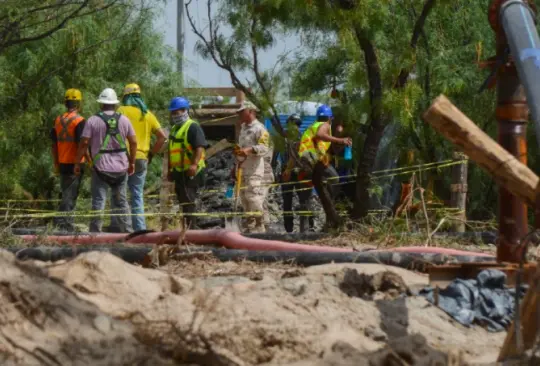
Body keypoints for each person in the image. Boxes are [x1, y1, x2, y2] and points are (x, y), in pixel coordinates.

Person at [74, 88, 137, 233]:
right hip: (121, 169)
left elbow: (83, 143)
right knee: (121, 202)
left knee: (98, 202)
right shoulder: (124, 120)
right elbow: (133, 142)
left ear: (101, 104)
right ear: (115, 104)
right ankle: (128, 233)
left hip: (100, 169)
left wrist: (77, 163)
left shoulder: (93, 121)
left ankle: (95, 234)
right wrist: (132, 162)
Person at [107, 83, 167, 232]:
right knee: (137, 194)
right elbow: (162, 137)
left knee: (118, 193)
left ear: (125, 96)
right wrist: (152, 153)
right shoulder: (147, 114)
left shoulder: (121, 111)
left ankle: (118, 226)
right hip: (142, 158)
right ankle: (139, 229)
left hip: (123, 158)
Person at [298, 104, 352, 229]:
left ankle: (306, 229)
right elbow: (320, 135)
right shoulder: (325, 125)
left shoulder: (313, 126)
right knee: (335, 179)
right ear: (330, 118)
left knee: (307, 196)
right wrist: (340, 140)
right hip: (312, 159)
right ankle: (332, 214)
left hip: (305, 161)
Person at [167, 96, 208, 229]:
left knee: (189, 202)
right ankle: (188, 229)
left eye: (177, 112)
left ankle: (192, 230)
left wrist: (194, 164)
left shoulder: (192, 127)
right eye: (173, 112)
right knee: (184, 203)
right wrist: (170, 170)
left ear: (185, 111)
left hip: (191, 172)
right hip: (179, 172)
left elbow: (199, 147)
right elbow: (171, 151)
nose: (174, 115)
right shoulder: (174, 129)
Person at [50, 88, 86, 231]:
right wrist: (81, 162)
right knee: (70, 195)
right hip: (75, 163)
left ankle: (62, 223)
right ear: (78, 103)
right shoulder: (79, 121)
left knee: (66, 193)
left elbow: (54, 144)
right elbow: (82, 144)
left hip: (63, 162)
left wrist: (56, 164)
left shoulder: (58, 120)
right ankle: (65, 225)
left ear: (65, 103)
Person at [234, 101, 270, 233]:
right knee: (243, 198)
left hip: (254, 168)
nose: (239, 114)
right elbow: (240, 149)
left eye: (242, 111)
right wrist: (236, 165)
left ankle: (260, 225)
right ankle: (250, 225)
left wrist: (249, 150)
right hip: (242, 167)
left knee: (253, 197)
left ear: (250, 111)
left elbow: (264, 148)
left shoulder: (259, 129)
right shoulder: (243, 128)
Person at [281, 113, 315, 233]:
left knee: (304, 200)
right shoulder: (283, 139)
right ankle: (289, 229)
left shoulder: (302, 138)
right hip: (287, 172)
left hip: (299, 173)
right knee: (287, 201)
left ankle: (309, 227)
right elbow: (277, 155)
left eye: (294, 125)